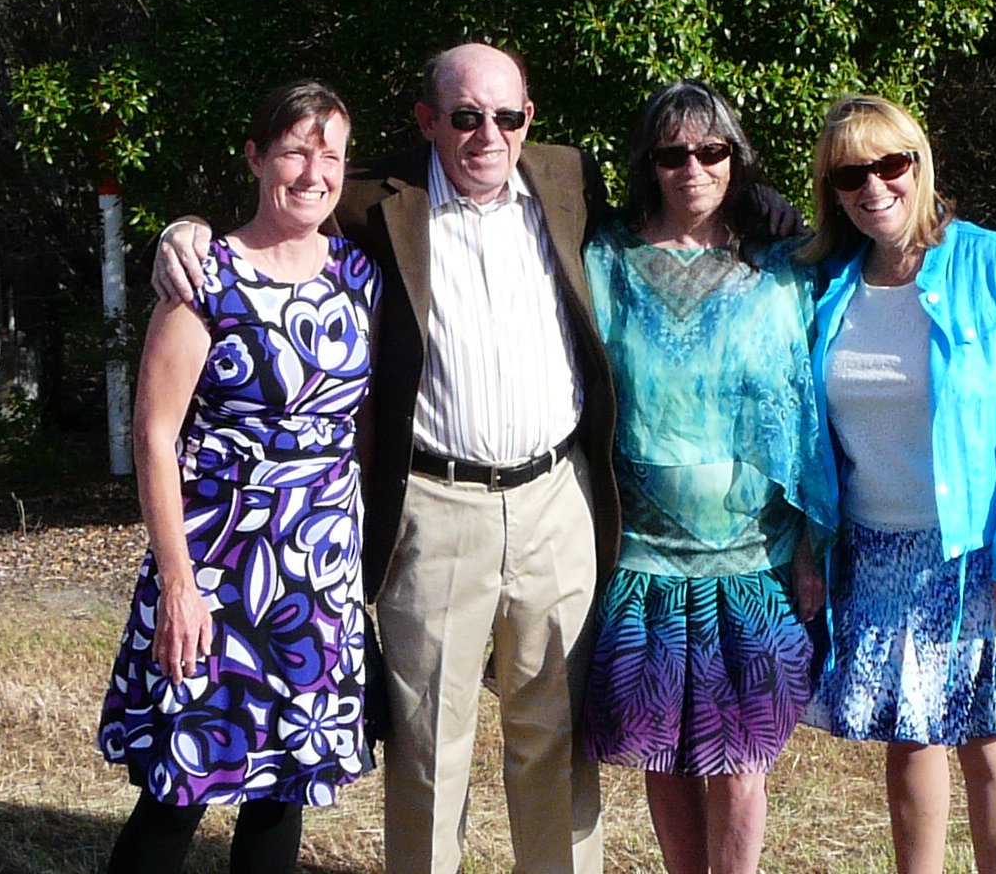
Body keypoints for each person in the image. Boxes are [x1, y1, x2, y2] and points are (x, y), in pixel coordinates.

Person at [154, 43, 620, 874]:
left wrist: (770, 211)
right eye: (466, 116)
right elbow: (281, 213)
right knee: (428, 746)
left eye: (505, 116)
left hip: (557, 499)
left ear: (529, 119)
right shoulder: (373, 201)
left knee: (555, 734)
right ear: (428, 119)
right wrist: (183, 231)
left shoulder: (569, 180)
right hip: (437, 508)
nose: (488, 135)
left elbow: (688, 202)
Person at [98, 80, 377, 874]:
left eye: (330, 155)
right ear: (255, 158)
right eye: (293, 152)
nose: (313, 173)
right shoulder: (204, 277)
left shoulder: (360, 274)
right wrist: (178, 586)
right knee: (179, 786)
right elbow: (154, 436)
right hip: (216, 569)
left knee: (283, 789)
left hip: (316, 574)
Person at [800, 95, 996, 874]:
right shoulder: (827, 281)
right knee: (909, 739)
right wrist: (811, 544)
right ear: (832, 189)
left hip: (978, 548)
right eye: (850, 174)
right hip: (876, 549)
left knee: (991, 742)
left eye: (891, 164)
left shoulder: (989, 261)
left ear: (919, 165)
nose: (873, 186)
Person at [578, 80, 834, 874]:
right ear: (648, 164)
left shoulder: (786, 264)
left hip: (757, 561)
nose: (693, 167)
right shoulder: (604, 260)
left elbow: (812, 413)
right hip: (642, 559)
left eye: (711, 150)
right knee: (663, 752)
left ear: (736, 158)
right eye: (672, 153)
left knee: (742, 756)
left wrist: (812, 545)